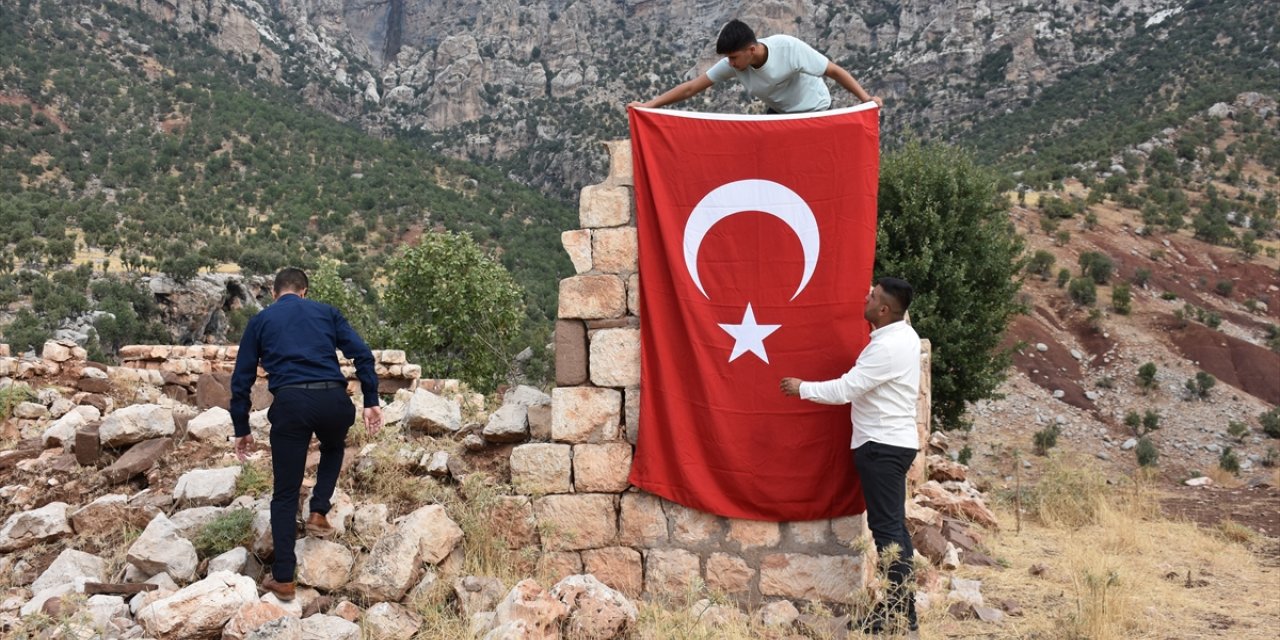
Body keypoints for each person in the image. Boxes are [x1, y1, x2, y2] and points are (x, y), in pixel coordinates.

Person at [231, 267, 383, 600]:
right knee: (332, 447)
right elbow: (363, 353)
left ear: (274, 294)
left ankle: (284, 578)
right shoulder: (327, 312)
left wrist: (241, 428)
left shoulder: (261, 321)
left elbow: (241, 378)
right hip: (333, 399)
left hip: (292, 404)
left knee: (285, 494)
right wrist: (371, 399)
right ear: (304, 292)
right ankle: (318, 508)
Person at [780, 277, 920, 635]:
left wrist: (802, 389)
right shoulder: (902, 335)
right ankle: (900, 612)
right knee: (894, 531)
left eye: (873, 297)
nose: (866, 298)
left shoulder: (887, 347)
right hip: (891, 443)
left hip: (882, 446)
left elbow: (847, 388)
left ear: (885, 310)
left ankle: (896, 617)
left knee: (887, 531)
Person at [629, 19, 882, 113]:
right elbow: (691, 88)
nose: (730, 63)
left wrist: (865, 98)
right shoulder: (736, 64)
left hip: (814, 109)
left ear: (751, 50)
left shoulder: (789, 48)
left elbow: (834, 71)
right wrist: (649, 106)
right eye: (727, 58)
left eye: (733, 57)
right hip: (780, 113)